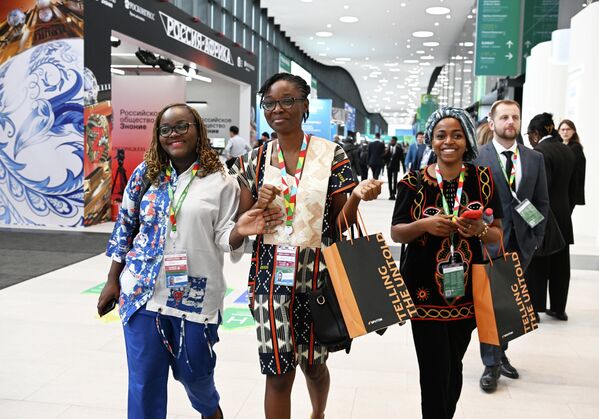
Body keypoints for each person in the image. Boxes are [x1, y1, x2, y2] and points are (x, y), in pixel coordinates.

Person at [97, 103, 281, 419]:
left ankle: (210, 411)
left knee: (196, 376)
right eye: (165, 129)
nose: (174, 134)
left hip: (196, 299)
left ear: (198, 130)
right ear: (158, 136)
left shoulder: (221, 179)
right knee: (144, 384)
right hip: (142, 293)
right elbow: (125, 226)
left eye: (182, 126)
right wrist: (113, 279)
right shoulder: (145, 174)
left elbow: (225, 236)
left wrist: (240, 229)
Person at [230, 72, 382, 419]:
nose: (277, 109)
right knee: (278, 373)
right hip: (270, 280)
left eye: (287, 101)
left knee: (314, 364)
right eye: (269, 103)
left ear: (304, 106)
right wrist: (257, 204)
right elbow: (241, 224)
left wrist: (356, 197)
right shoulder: (252, 162)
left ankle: (318, 413)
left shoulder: (331, 155)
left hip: (319, 279)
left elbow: (341, 224)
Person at [391, 107, 503, 419]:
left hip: (468, 295)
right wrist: (424, 226)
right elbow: (397, 231)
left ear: (467, 140)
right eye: (441, 135)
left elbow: (496, 235)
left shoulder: (482, 180)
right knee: (432, 370)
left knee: (453, 366)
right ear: (431, 141)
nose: (448, 141)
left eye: (456, 135)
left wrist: (478, 229)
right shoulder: (412, 182)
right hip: (423, 293)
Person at [473, 100, 549, 393]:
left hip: (522, 244)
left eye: (515, 117)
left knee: (509, 303)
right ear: (491, 124)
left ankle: (501, 351)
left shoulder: (534, 159)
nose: (510, 122)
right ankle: (491, 364)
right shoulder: (479, 157)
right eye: (504, 117)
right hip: (488, 242)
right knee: (491, 304)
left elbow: (541, 202)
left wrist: (536, 237)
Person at [527, 113, 576, 321]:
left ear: (536, 133)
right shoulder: (568, 150)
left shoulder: (539, 152)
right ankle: (558, 308)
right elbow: (574, 188)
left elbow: (541, 190)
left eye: (529, 134)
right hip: (565, 214)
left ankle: (535, 308)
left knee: (538, 263)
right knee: (561, 264)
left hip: (546, 217)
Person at [558, 119, 586, 211]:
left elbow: (577, 173)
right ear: (558, 131)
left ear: (573, 131)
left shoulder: (576, 148)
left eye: (568, 129)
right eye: (562, 129)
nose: (565, 132)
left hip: (569, 191)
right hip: (560, 190)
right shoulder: (558, 145)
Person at [385, 136, 404, 200]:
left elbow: (402, 159)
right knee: (389, 180)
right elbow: (384, 157)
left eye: (393, 141)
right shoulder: (387, 148)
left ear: (395, 141)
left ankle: (394, 193)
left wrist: (404, 168)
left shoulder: (399, 149)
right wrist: (386, 152)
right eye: (391, 141)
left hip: (395, 167)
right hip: (389, 167)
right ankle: (391, 194)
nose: (391, 142)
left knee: (395, 180)